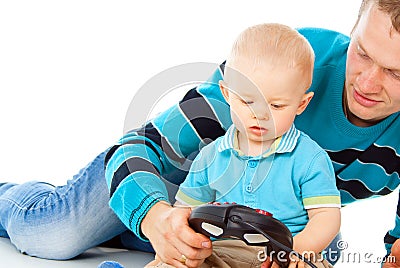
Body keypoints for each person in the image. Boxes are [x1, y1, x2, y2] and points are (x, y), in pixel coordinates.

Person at [0, 0, 400, 267]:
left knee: (324, 251)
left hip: (258, 225)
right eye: (362, 51)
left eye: (395, 72)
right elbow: (139, 147)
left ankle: (131, 236)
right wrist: (156, 217)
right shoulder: (284, 67)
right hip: (173, 180)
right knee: (53, 234)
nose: (366, 82)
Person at [145, 23, 341, 268]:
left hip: (284, 250)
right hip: (221, 251)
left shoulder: (308, 158)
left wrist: (299, 250)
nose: (260, 115)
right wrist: (181, 243)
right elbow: (185, 210)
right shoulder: (212, 156)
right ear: (227, 94)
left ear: (301, 104)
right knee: (176, 262)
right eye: (248, 101)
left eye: (276, 106)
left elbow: (327, 217)